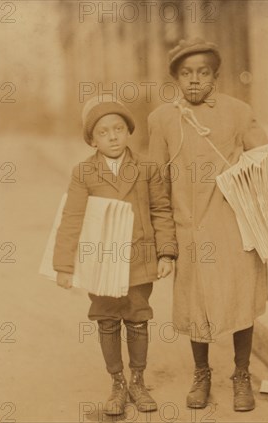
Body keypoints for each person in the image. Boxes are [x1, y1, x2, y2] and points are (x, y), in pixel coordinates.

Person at [147, 38, 268, 412]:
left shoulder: (238, 111)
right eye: (186, 74)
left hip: (235, 228)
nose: (194, 81)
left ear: (215, 76)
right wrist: (166, 243)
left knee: (240, 301)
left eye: (203, 73)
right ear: (175, 79)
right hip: (189, 232)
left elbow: (265, 163)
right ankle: (201, 373)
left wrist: (254, 198)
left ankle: (241, 374)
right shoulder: (162, 119)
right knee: (194, 305)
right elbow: (157, 184)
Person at [53, 95, 178, 416]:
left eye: (118, 129)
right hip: (101, 261)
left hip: (139, 258)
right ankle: (118, 382)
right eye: (103, 132)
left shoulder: (147, 168)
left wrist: (166, 253)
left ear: (128, 132)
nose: (112, 137)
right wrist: (64, 266)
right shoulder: (84, 173)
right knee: (107, 320)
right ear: (92, 139)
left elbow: (161, 210)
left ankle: (138, 379)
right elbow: (72, 218)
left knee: (138, 317)